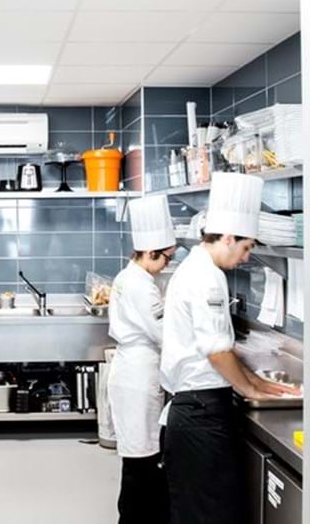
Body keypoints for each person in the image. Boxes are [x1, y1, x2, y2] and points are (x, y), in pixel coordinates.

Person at [160, 173, 299, 523]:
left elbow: (220, 350)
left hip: (194, 411)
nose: (247, 257)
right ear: (226, 237)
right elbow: (217, 352)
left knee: (199, 512)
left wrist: (259, 383)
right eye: (246, 247)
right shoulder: (207, 276)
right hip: (201, 414)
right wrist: (251, 388)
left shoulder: (196, 268)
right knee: (209, 515)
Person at [108, 195, 176, 524]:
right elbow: (164, 334)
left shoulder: (127, 276)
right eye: (166, 258)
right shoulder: (142, 287)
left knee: (135, 456)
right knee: (142, 460)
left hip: (128, 372)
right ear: (150, 253)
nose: (167, 265)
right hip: (138, 376)